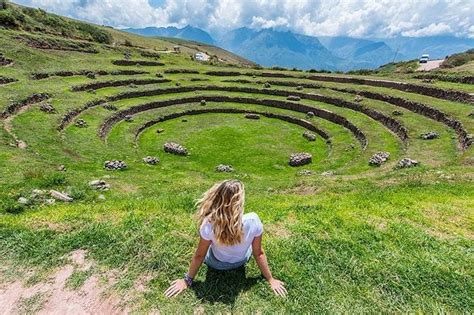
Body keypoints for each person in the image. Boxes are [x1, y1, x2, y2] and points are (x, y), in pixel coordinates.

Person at [165, 179, 287, 298]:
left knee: (205, 248)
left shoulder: (208, 223)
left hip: (215, 264)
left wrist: (187, 280)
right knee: (251, 243)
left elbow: (199, 256)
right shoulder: (253, 220)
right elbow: (258, 253)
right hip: (242, 260)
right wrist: (271, 279)